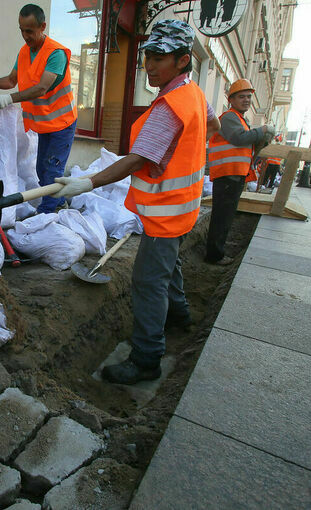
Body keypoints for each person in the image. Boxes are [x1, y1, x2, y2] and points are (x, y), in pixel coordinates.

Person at [52, 20, 220, 385]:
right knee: (169, 264)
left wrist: (86, 182)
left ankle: (147, 358)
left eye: (160, 58)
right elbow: (213, 123)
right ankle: (179, 315)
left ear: (182, 60)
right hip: (184, 208)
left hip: (166, 212)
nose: (150, 65)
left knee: (147, 281)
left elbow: (136, 160)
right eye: (148, 56)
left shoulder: (169, 108)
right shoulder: (194, 94)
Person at [0, 3, 77, 214]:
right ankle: (59, 202)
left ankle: (46, 215)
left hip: (62, 123)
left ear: (42, 26)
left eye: (29, 30)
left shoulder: (56, 54)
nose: (25, 35)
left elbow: (41, 88)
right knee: (41, 170)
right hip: (46, 124)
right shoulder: (23, 53)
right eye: (21, 29)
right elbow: (11, 80)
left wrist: (9, 99)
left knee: (51, 172)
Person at [205, 78, 273, 265]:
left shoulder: (240, 119)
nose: (246, 100)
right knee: (222, 216)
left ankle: (216, 250)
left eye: (249, 97)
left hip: (234, 174)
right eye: (241, 97)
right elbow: (239, 138)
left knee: (225, 215)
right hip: (227, 175)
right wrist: (264, 129)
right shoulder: (229, 117)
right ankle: (215, 255)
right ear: (231, 100)